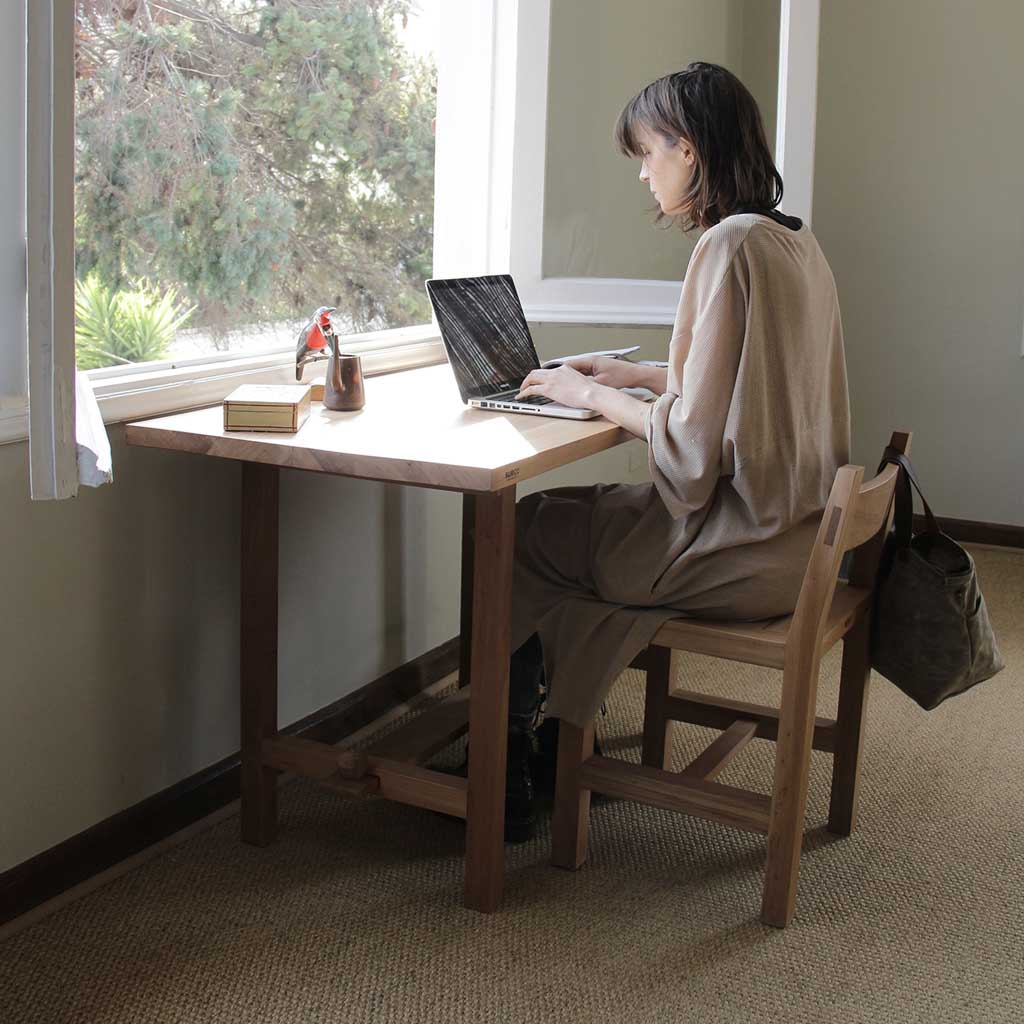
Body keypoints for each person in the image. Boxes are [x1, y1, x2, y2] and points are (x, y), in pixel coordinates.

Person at [493, 61, 851, 843]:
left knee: (524, 532)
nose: (644, 175)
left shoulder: (726, 247)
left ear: (689, 151)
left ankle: (505, 765)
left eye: (648, 154)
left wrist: (588, 396)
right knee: (577, 530)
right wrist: (636, 374)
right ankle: (560, 736)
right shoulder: (792, 241)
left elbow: (690, 457)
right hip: (794, 540)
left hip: (736, 548)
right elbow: (754, 385)